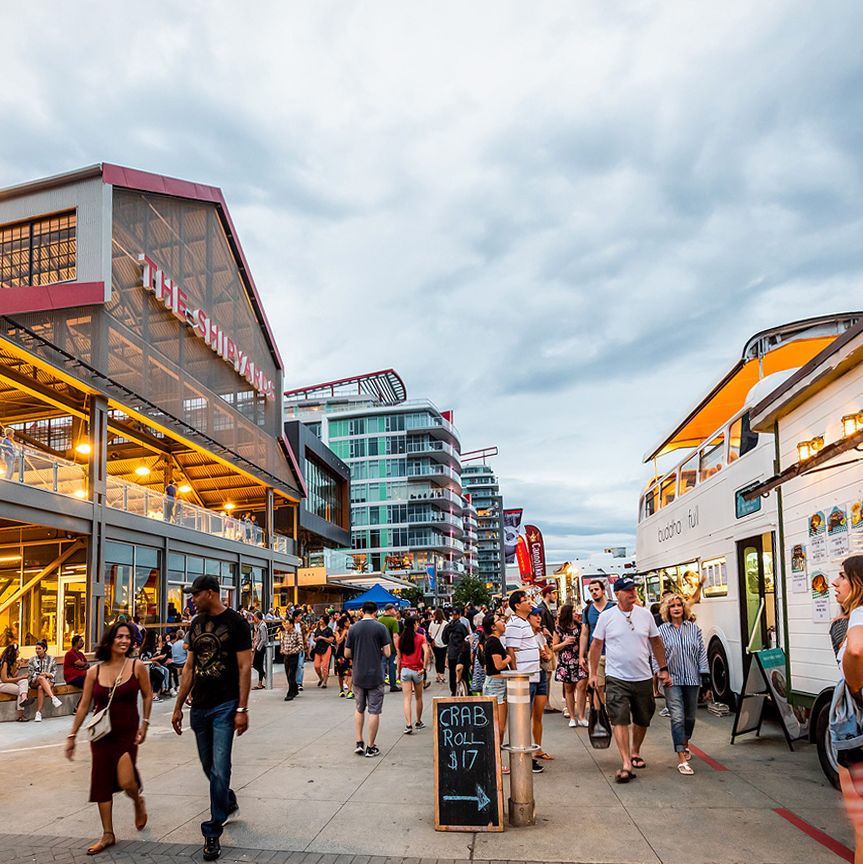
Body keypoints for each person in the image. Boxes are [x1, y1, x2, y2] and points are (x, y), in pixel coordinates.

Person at [171, 575, 252, 862]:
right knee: (209, 767)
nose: (192, 599)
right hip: (200, 707)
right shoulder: (196, 624)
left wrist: (242, 709)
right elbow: (190, 668)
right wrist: (179, 705)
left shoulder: (237, 623)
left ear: (210, 593)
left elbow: (245, 668)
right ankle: (227, 802)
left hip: (225, 706)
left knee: (220, 767)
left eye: (195, 594)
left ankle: (212, 828)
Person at [65, 621, 153, 855]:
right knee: (102, 780)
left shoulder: (137, 666)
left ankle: (137, 800)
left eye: (128, 637)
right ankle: (108, 833)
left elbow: (147, 695)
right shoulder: (95, 671)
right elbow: (84, 705)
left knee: (126, 781)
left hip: (126, 731)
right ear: (110, 640)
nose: (125, 641)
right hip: (102, 733)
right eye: (120, 637)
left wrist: (145, 723)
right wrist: (72, 734)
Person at [588, 577, 671, 783]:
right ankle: (626, 761)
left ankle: (635, 751)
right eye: (628, 590)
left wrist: (663, 668)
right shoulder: (607, 617)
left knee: (643, 718)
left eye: (634, 589)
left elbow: (656, 642)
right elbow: (596, 646)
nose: (633, 593)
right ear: (617, 594)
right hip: (617, 676)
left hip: (643, 676)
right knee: (619, 718)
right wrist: (592, 673)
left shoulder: (645, 616)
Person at [832, 555, 863, 863]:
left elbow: (855, 648)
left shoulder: (859, 615)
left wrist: (855, 687)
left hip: (857, 727)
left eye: (842, 576)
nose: (835, 582)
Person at [658, 592, 710, 775]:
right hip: (672, 680)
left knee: (690, 717)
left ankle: (685, 742)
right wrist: (661, 672)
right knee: (677, 717)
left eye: (679, 605)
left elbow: (701, 653)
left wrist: (706, 678)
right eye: (672, 606)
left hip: (692, 679)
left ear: (684, 608)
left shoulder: (694, 629)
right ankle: (681, 757)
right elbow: (656, 654)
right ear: (667, 610)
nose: (676, 609)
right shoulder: (662, 631)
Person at [505, 590, 545, 774]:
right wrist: (516, 674)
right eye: (525, 600)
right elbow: (511, 650)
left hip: (533, 675)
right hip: (525, 677)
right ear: (516, 606)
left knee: (527, 718)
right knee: (522, 720)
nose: (529, 603)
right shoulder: (514, 624)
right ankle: (524, 758)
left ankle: (528, 754)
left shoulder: (524, 623)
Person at [344, 600, 391, 758]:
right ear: (376, 612)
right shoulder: (381, 628)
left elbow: (346, 654)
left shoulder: (353, 628)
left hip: (358, 674)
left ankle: (359, 742)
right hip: (376, 675)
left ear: (362, 611)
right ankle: (371, 747)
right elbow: (388, 653)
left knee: (359, 708)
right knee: (374, 711)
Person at [481, 612, 512, 774]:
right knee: (498, 728)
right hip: (495, 684)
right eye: (499, 620)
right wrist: (509, 657)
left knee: (501, 727)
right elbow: (498, 665)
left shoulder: (495, 641)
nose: (503, 622)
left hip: (499, 683)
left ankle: (496, 759)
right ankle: (495, 761)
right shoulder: (493, 642)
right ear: (493, 627)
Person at [580, 578, 615, 707]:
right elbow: (584, 633)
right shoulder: (588, 610)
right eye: (591, 590)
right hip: (596, 654)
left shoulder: (613, 608)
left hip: (613, 653)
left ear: (603, 590)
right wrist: (581, 655)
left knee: (614, 686)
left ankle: (614, 712)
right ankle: (600, 714)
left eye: (596, 589)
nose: (594, 592)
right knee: (597, 686)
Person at [553, 604, 588, 727]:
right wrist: (565, 642)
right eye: (573, 611)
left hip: (579, 660)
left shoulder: (580, 626)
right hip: (566, 662)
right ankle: (572, 717)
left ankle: (582, 716)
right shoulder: (559, 629)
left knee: (582, 687)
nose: (576, 613)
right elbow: (554, 647)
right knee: (569, 689)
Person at [396, 615, 430, 734]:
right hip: (418, 670)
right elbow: (426, 652)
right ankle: (418, 721)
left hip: (405, 669)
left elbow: (399, 657)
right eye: (416, 623)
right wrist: (424, 667)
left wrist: (398, 672)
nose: (418, 625)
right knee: (419, 697)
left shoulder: (401, 639)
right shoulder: (420, 638)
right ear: (414, 625)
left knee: (407, 699)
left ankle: (408, 724)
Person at [529, 607, 554, 761]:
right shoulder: (524, 635)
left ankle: (537, 748)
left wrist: (546, 655)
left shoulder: (540, 635)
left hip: (541, 674)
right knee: (526, 715)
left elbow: (549, 653)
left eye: (539, 616)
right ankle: (527, 748)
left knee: (538, 715)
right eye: (535, 616)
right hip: (529, 676)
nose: (538, 618)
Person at [27, 640, 62, 721]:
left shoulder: (51, 659)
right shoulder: (32, 659)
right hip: (34, 681)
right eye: (36, 649)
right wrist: (41, 675)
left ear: (44, 649)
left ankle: (38, 713)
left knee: (41, 688)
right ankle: (53, 698)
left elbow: (54, 672)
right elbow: (31, 673)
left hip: (48, 681)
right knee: (40, 678)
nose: (37, 651)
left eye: (39, 649)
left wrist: (47, 674)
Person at [442, 608, 470, 696]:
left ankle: (454, 692)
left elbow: (444, 640)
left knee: (452, 674)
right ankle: (466, 691)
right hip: (461, 653)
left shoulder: (448, 626)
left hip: (451, 654)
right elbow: (467, 638)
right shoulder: (461, 626)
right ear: (459, 615)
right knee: (464, 673)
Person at [0, 643, 31, 721]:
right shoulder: (4, 663)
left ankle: (24, 699)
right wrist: (21, 676)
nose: (19, 653)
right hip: (1, 684)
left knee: (24, 681)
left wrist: (19, 666)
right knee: (21, 690)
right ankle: (21, 716)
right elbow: (4, 679)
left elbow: (13, 676)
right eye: (18, 651)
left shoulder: (12, 662)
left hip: (7, 683)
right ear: (13, 652)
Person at [280, 613, 303, 702]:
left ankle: (290, 693)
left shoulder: (297, 633)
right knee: (287, 674)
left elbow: (301, 645)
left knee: (291, 674)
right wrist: (282, 650)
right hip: (286, 656)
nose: (286, 626)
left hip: (293, 656)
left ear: (291, 625)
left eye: (287, 624)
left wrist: (292, 651)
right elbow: (282, 643)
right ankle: (295, 689)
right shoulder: (285, 633)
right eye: (285, 624)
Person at [378, 604, 401, 691]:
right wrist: (398, 649)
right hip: (391, 648)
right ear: (390, 610)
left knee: (382, 666)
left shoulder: (379, 619)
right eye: (394, 609)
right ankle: (393, 685)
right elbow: (395, 636)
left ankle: (380, 685)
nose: (395, 611)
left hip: (381, 648)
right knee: (392, 666)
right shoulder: (393, 621)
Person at [334, 614, 353, 698]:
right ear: (344, 623)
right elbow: (338, 641)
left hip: (350, 653)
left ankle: (349, 690)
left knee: (350, 672)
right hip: (341, 654)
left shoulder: (351, 630)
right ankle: (341, 690)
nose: (349, 622)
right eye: (347, 621)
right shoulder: (338, 631)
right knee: (340, 673)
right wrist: (344, 633)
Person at [428, 608, 447, 684]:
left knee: (437, 659)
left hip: (434, 644)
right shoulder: (446, 623)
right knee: (442, 660)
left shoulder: (432, 623)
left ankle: (438, 675)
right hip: (444, 644)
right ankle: (442, 675)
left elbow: (429, 633)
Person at [251, 611, 268, 690]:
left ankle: (265, 676)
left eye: (255, 617)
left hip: (261, 648)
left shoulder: (262, 626)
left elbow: (264, 638)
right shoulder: (260, 625)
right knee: (259, 665)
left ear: (257, 618)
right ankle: (260, 683)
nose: (254, 619)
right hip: (259, 647)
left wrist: (258, 647)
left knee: (256, 664)